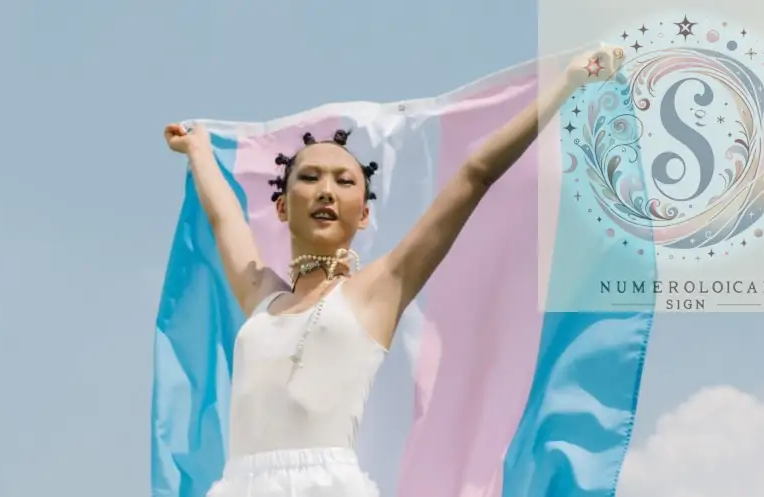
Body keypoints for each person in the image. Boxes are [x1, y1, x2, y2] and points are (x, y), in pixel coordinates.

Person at [162, 45, 626, 497]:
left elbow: (475, 174)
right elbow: (225, 216)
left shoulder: (378, 290)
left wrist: (567, 83)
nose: (326, 191)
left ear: (363, 214)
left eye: (345, 182)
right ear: (282, 207)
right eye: (309, 178)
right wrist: (198, 151)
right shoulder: (260, 296)